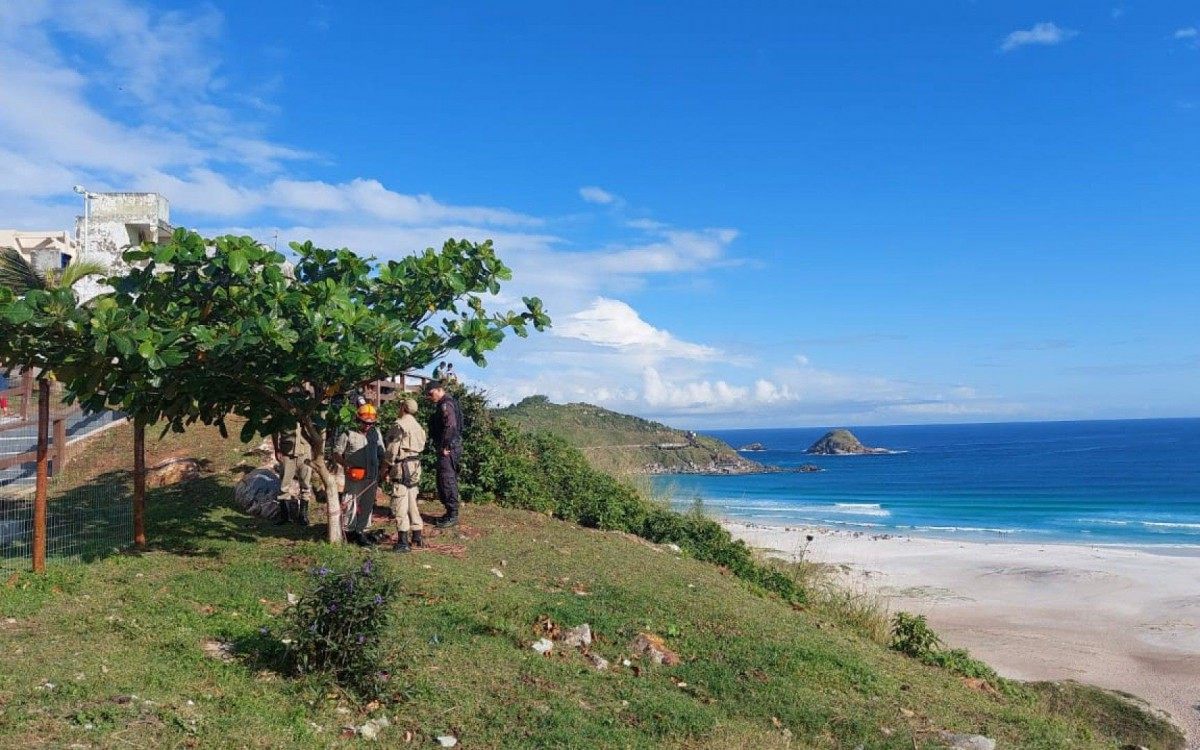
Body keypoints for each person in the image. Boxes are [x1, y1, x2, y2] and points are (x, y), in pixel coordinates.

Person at [334, 403, 385, 546]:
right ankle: (348, 531)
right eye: (365, 423)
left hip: (372, 476)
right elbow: (337, 453)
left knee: (368, 504)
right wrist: (345, 464)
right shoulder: (348, 433)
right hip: (354, 475)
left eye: (371, 423)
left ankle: (361, 531)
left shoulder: (376, 433)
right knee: (350, 502)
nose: (368, 425)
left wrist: (384, 470)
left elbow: (381, 452)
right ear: (358, 420)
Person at [386, 398, 426, 552]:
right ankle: (417, 535)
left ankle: (403, 542)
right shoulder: (418, 427)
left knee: (400, 501)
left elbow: (391, 450)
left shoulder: (399, 425)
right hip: (416, 465)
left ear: (403, 407)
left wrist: (385, 468)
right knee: (412, 499)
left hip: (402, 466)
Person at [426, 380, 463, 528]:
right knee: (443, 479)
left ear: (439, 390)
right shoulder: (446, 403)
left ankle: (452, 514)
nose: (430, 397)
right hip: (450, 447)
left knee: (447, 480)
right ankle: (450, 512)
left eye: (431, 393)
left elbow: (451, 426)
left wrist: (444, 446)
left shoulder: (446, 404)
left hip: (449, 448)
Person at [274, 424, 313, 526]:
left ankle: (303, 516)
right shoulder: (282, 415)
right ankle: (285, 516)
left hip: (304, 453)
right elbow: (274, 430)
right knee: (284, 485)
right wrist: (276, 449)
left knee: (305, 484)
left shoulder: (307, 416)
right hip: (287, 452)